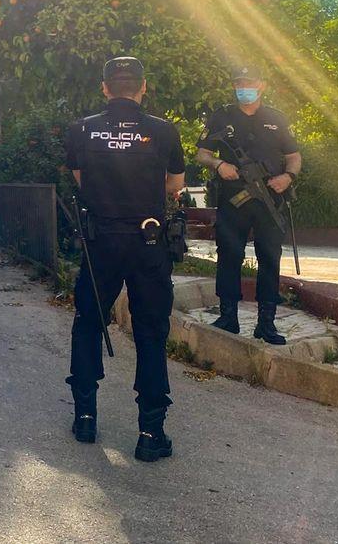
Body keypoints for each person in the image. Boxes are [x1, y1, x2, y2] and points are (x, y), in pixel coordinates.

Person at [64, 56, 186, 462]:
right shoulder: (164, 131)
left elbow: (80, 179)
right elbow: (174, 186)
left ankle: (85, 417)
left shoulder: (81, 130)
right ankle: (151, 433)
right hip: (147, 242)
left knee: (88, 323)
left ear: (105, 88)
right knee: (150, 332)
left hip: (101, 242)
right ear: (143, 87)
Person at [195, 66, 301, 345]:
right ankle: (228, 316)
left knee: (270, 258)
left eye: (249, 82)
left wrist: (287, 177)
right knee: (229, 254)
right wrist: (219, 164)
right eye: (239, 83)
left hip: (270, 200)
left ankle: (266, 323)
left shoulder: (276, 119)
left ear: (261, 85)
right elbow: (202, 153)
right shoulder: (222, 116)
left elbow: (294, 156)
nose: (243, 87)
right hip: (233, 198)